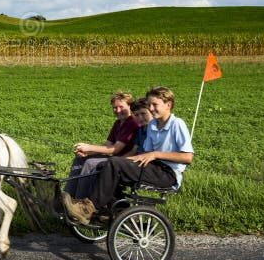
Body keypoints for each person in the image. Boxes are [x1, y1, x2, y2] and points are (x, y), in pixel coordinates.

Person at [64, 86, 193, 225]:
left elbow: (187, 157)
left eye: (155, 104)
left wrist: (155, 154)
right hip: (152, 167)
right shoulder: (152, 125)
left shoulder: (176, 124)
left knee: (114, 163)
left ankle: (88, 207)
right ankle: (113, 210)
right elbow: (144, 154)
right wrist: (126, 161)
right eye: (149, 104)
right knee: (108, 164)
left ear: (168, 105)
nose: (151, 108)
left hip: (167, 173)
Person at [62, 90, 139, 205]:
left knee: (90, 163)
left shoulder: (132, 123)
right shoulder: (118, 123)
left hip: (124, 161)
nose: (117, 110)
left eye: (121, 107)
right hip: (115, 159)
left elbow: (114, 149)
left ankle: (80, 202)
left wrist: (88, 147)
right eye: (114, 107)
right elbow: (107, 145)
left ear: (129, 106)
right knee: (80, 159)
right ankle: (67, 196)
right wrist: (88, 153)